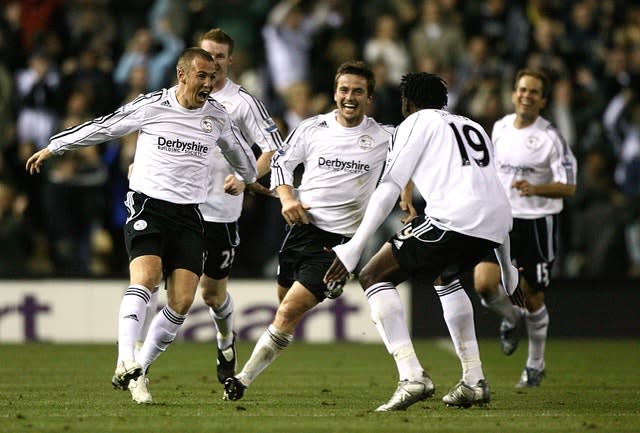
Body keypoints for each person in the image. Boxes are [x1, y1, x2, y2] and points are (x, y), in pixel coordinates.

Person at [25, 47, 258, 404]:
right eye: (202, 76)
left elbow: (242, 158)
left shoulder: (219, 117)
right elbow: (104, 127)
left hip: (190, 215)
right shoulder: (152, 106)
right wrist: (56, 146)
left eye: (212, 77)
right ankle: (125, 359)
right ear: (182, 75)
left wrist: (247, 178)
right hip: (149, 205)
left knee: (181, 302)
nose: (209, 84)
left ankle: (139, 371)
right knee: (146, 278)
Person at [323, 72, 519, 411]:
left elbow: (388, 185)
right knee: (446, 277)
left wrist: (355, 246)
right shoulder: (472, 126)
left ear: (406, 102)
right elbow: (493, 190)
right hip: (495, 222)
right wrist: (507, 266)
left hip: (455, 219)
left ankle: (412, 376)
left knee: (373, 276)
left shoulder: (415, 122)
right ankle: (474, 380)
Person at [222, 60, 394, 402]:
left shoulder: (386, 137)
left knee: (287, 313)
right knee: (284, 305)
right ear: (334, 93)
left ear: (369, 97)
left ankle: (240, 381)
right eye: (344, 90)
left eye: (358, 91)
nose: (349, 97)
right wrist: (287, 199)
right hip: (300, 230)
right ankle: (328, 289)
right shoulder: (312, 128)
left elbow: (409, 166)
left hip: (339, 243)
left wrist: (405, 194)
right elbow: (281, 164)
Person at [473, 68, 577, 388]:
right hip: (502, 220)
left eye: (533, 92)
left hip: (537, 223)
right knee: (484, 283)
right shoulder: (500, 128)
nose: (526, 96)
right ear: (513, 93)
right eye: (522, 90)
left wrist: (536, 188)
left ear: (543, 100)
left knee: (532, 298)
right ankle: (509, 317)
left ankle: (535, 363)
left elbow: (569, 186)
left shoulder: (550, 139)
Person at [193, 28, 283, 384]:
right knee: (161, 282)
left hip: (221, 212)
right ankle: (137, 365)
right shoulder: (179, 97)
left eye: (218, 56)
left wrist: (247, 178)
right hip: (181, 208)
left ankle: (226, 339)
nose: (212, 63)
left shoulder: (243, 102)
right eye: (206, 55)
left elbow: (273, 149)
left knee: (211, 295)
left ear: (229, 61)